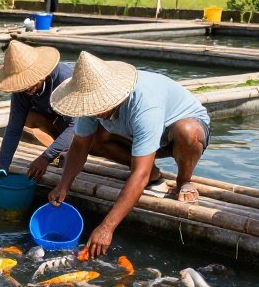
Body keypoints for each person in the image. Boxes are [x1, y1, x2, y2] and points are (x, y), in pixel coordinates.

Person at [48, 51, 211, 257]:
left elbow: (138, 175)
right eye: (93, 107)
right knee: (95, 139)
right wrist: (64, 184)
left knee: (188, 132)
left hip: (176, 134)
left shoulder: (143, 103)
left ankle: (183, 180)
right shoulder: (92, 104)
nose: (97, 111)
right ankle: (153, 171)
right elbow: (80, 144)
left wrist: (107, 227)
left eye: (101, 105)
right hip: (136, 133)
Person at [0, 40, 78, 180]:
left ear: (42, 73)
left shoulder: (64, 80)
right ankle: (64, 149)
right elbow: (14, 128)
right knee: (30, 117)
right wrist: (2, 166)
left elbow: (76, 127)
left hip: (89, 123)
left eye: (30, 81)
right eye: (21, 83)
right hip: (56, 117)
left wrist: (46, 157)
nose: (26, 88)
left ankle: (69, 150)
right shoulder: (21, 91)